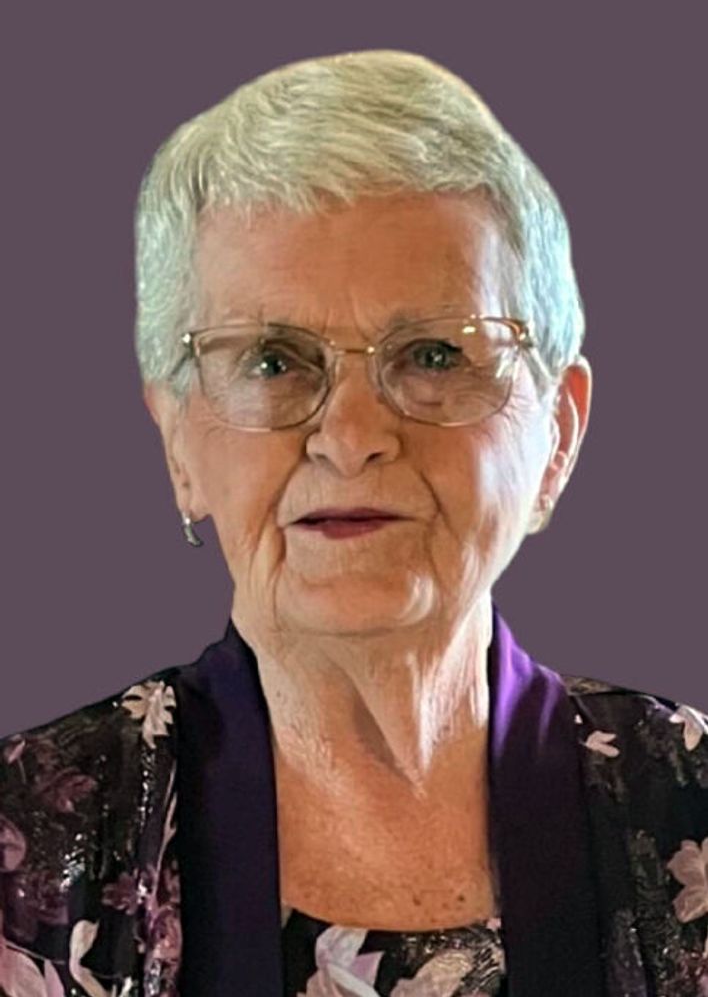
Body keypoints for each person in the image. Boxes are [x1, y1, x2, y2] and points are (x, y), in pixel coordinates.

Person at [0, 50, 706, 997]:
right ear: (179, 445)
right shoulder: (24, 839)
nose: (352, 437)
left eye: (434, 353)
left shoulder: (691, 805)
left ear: (558, 435)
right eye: (271, 361)